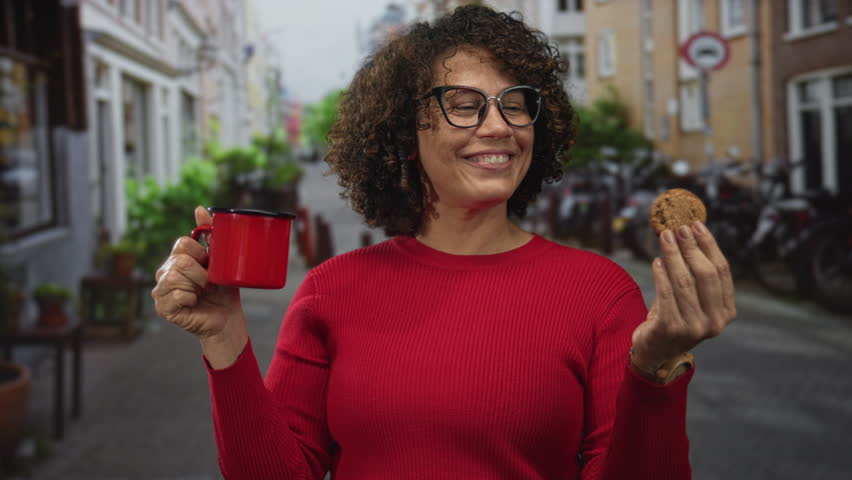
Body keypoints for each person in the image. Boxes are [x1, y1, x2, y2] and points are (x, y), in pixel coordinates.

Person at [152, 5, 735, 479]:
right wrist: (225, 335)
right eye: (463, 106)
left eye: (516, 104)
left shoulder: (599, 293)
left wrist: (655, 366)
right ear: (407, 134)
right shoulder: (331, 290)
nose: (499, 125)